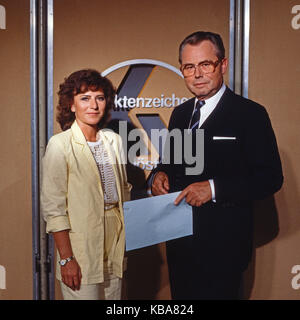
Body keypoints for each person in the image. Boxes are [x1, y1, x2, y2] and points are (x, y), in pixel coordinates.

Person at [150, 31, 283, 300]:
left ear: (222, 65)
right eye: (189, 67)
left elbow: (270, 178)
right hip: (180, 244)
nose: (197, 74)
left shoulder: (250, 114)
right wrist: (158, 174)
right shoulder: (180, 114)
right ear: (182, 71)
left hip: (224, 248)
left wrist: (214, 188)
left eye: (205, 64)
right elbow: (171, 162)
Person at [41, 69, 132, 300]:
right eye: (85, 98)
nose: (93, 105)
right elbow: (54, 209)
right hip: (80, 245)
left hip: (115, 240)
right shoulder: (60, 145)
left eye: (99, 98)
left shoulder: (114, 140)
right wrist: (66, 259)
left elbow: (123, 193)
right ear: (71, 105)